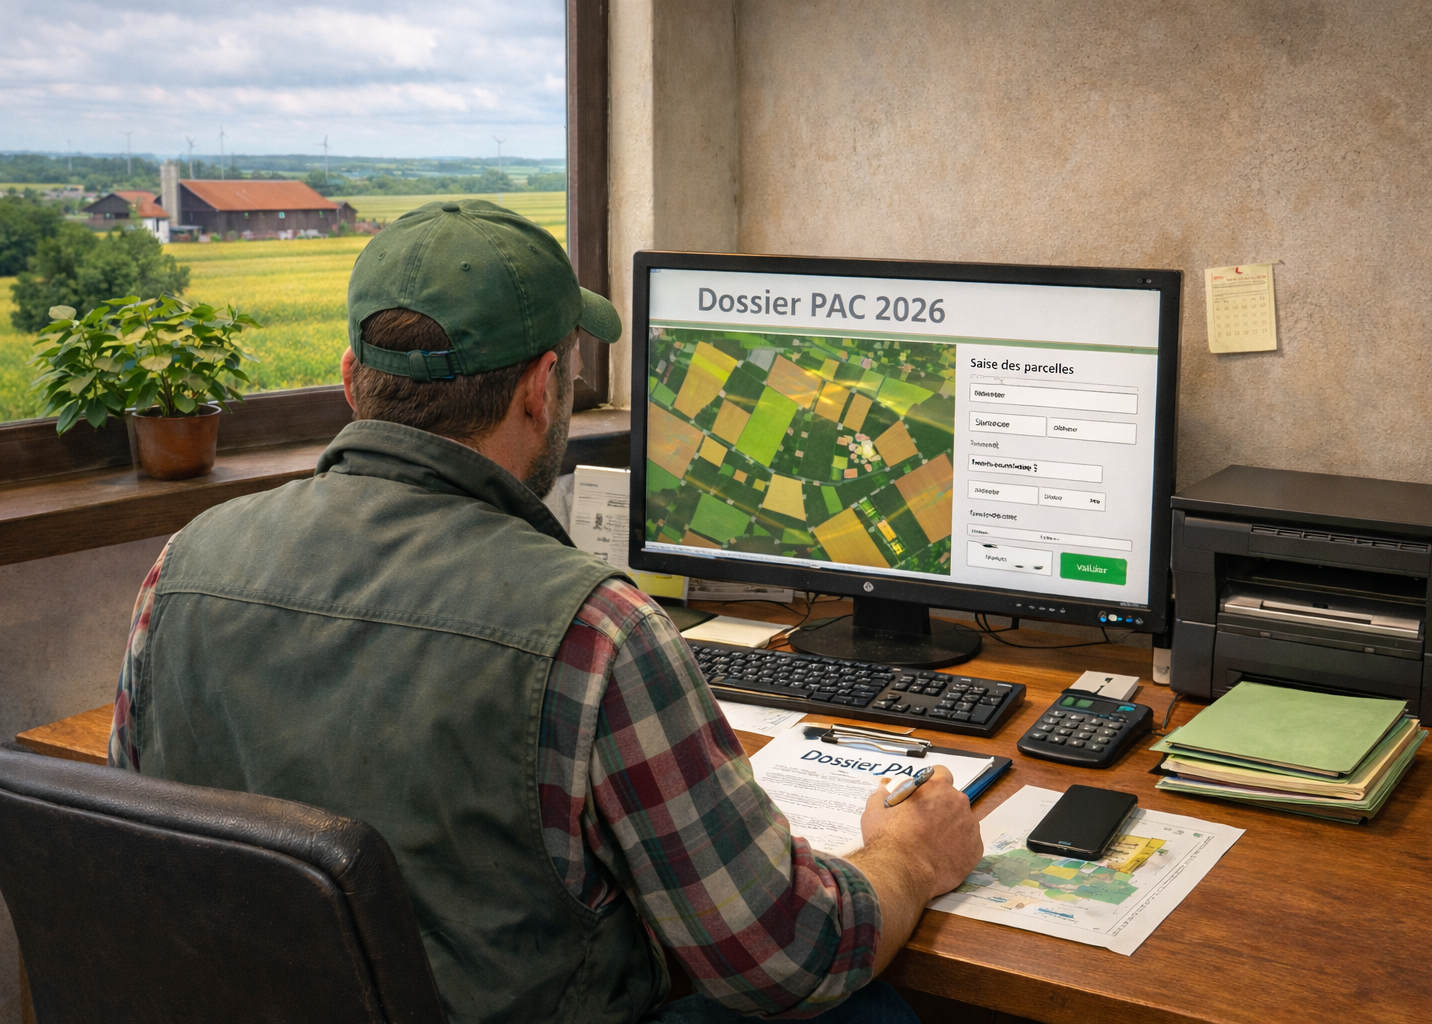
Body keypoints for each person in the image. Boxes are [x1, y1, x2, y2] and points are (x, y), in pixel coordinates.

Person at [108, 199, 983, 1023]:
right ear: (540, 389)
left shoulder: (179, 568)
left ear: (350, 379)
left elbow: (148, 844)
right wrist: (908, 855)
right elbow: (785, 958)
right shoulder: (597, 631)